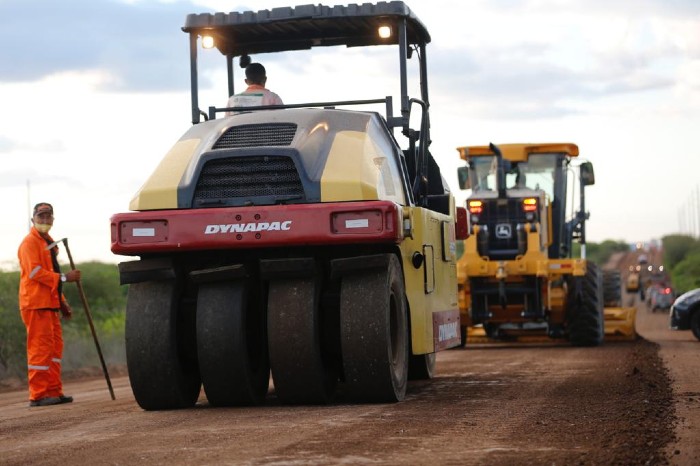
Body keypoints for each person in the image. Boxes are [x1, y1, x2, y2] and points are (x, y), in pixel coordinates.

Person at [17, 202, 81, 407]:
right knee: (40, 349)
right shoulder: (29, 243)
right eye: (41, 216)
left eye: (48, 217)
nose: (44, 220)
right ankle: (38, 395)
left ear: (53, 220)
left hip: (49, 304)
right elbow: (35, 273)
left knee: (54, 349)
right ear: (33, 219)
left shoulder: (49, 243)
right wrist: (65, 278)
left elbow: (49, 272)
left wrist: (62, 302)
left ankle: (53, 391)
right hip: (35, 305)